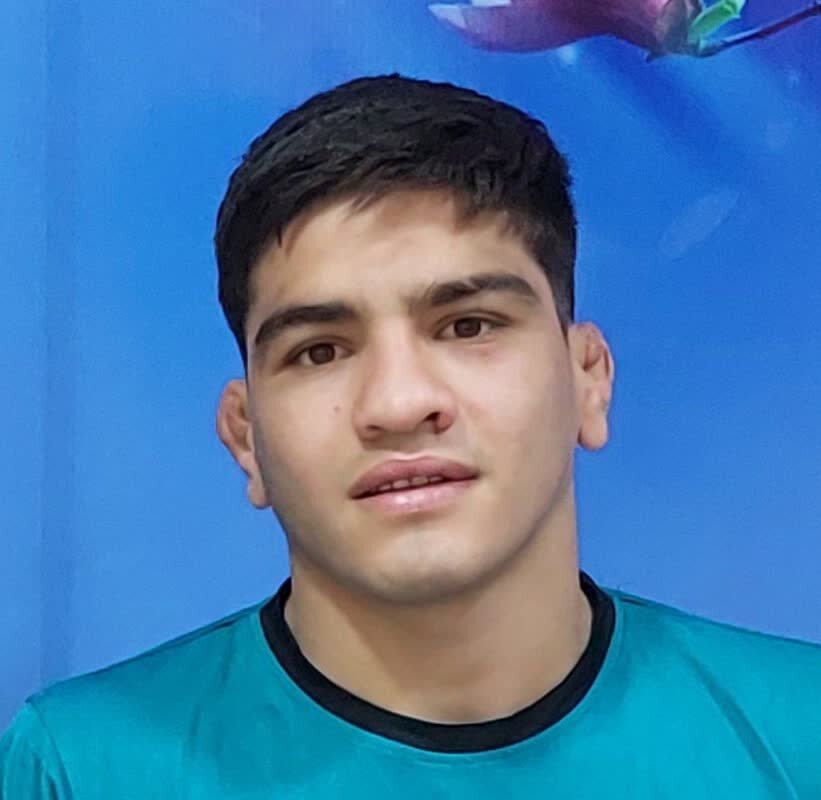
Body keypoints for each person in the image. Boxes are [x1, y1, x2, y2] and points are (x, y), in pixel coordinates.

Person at [2, 73, 819, 798]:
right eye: (320, 351)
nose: (397, 403)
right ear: (245, 437)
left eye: (467, 325)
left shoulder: (800, 736)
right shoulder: (82, 767)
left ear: (588, 380)